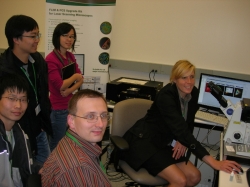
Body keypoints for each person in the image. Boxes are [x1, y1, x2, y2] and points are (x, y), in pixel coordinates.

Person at [121, 60, 242, 187]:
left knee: (195, 176)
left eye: (191, 77)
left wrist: (181, 139)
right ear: (174, 79)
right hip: (146, 142)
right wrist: (213, 162)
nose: (189, 82)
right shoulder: (166, 96)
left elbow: (188, 123)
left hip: (165, 142)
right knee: (180, 181)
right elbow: (180, 128)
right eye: (184, 78)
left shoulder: (193, 93)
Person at [0, 15, 52, 164]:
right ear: (16, 39)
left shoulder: (38, 61)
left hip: (39, 127)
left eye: (37, 35)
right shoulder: (4, 69)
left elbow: (42, 93)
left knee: (44, 170)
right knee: (23, 173)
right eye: (32, 36)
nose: (37, 40)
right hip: (18, 131)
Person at [41, 89, 111, 186]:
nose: (100, 124)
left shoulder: (72, 142)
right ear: (71, 121)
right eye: (90, 116)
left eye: (103, 115)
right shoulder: (78, 168)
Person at [46, 22, 83, 151]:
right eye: (65, 35)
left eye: (72, 36)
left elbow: (81, 79)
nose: (69, 39)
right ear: (57, 37)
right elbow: (61, 85)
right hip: (58, 109)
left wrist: (69, 91)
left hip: (69, 105)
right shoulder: (51, 59)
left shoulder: (70, 56)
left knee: (66, 142)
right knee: (57, 143)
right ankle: (51, 169)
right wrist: (74, 78)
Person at [0, 74, 40, 187]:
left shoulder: (18, 131)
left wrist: (41, 168)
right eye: (11, 99)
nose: (18, 105)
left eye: (23, 99)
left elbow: (22, 163)